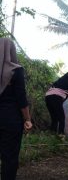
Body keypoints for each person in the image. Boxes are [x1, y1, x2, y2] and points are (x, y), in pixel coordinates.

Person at [0, 38, 33, 180]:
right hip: (10, 121)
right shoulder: (16, 70)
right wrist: (27, 119)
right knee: (10, 158)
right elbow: (21, 99)